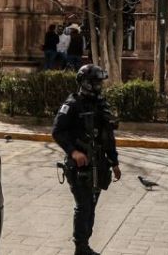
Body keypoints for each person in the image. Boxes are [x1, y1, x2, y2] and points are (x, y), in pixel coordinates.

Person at [52, 65, 120, 255]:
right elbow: (57, 131)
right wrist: (73, 152)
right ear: (85, 83)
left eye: (100, 82)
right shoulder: (72, 104)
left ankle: (85, 245)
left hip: (98, 165)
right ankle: (80, 247)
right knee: (84, 206)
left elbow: (108, 137)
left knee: (91, 205)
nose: (98, 86)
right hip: (79, 167)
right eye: (95, 82)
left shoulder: (100, 105)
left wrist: (114, 162)